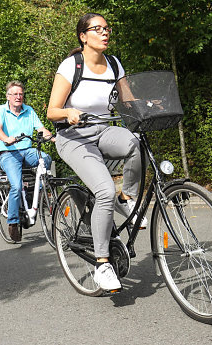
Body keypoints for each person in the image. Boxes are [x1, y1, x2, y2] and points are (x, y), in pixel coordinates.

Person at [47, 13, 146, 291]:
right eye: (97, 29)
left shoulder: (114, 64)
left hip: (102, 130)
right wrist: (68, 111)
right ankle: (102, 264)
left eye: (107, 29)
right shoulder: (71, 66)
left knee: (134, 144)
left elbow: (128, 103)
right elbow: (51, 111)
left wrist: (148, 107)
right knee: (103, 191)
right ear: (83, 36)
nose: (104, 33)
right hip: (73, 137)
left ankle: (126, 199)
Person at [0, 81, 53, 242]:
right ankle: (13, 222)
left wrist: (54, 138)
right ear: (8, 96)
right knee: (16, 186)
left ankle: (39, 190)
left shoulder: (29, 110)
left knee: (46, 158)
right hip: (9, 153)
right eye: (15, 94)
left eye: (20, 94)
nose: (18, 97)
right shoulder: (1, 110)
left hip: (27, 152)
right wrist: (6, 139)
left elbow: (41, 129)